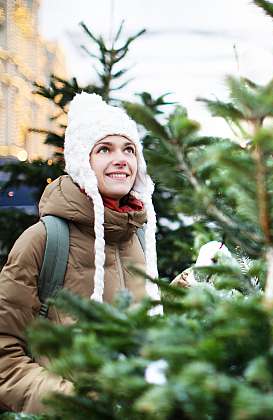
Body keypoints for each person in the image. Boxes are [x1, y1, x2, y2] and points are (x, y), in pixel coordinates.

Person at [0, 92, 161, 413]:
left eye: (129, 149)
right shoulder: (44, 240)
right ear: (81, 162)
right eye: (104, 149)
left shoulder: (139, 236)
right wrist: (73, 402)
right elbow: (5, 358)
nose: (121, 159)